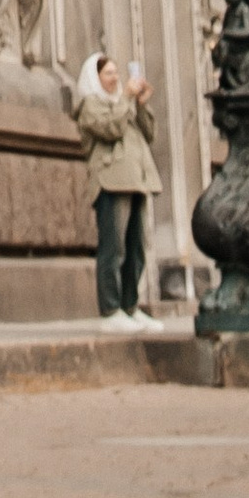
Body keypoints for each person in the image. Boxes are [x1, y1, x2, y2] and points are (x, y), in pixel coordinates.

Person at [74, 53, 161, 326]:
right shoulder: (91, 104)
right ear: (95, 78)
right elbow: (111, 129)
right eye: (108, 74)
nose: (115, 78)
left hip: (136, 180)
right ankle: (111, 310)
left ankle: (130, 306)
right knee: (115, 248)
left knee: (136, 249)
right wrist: (125, 98)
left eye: (116, 73)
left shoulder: (123, 105)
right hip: (111, 182)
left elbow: (148, 134)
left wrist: (141, 105)